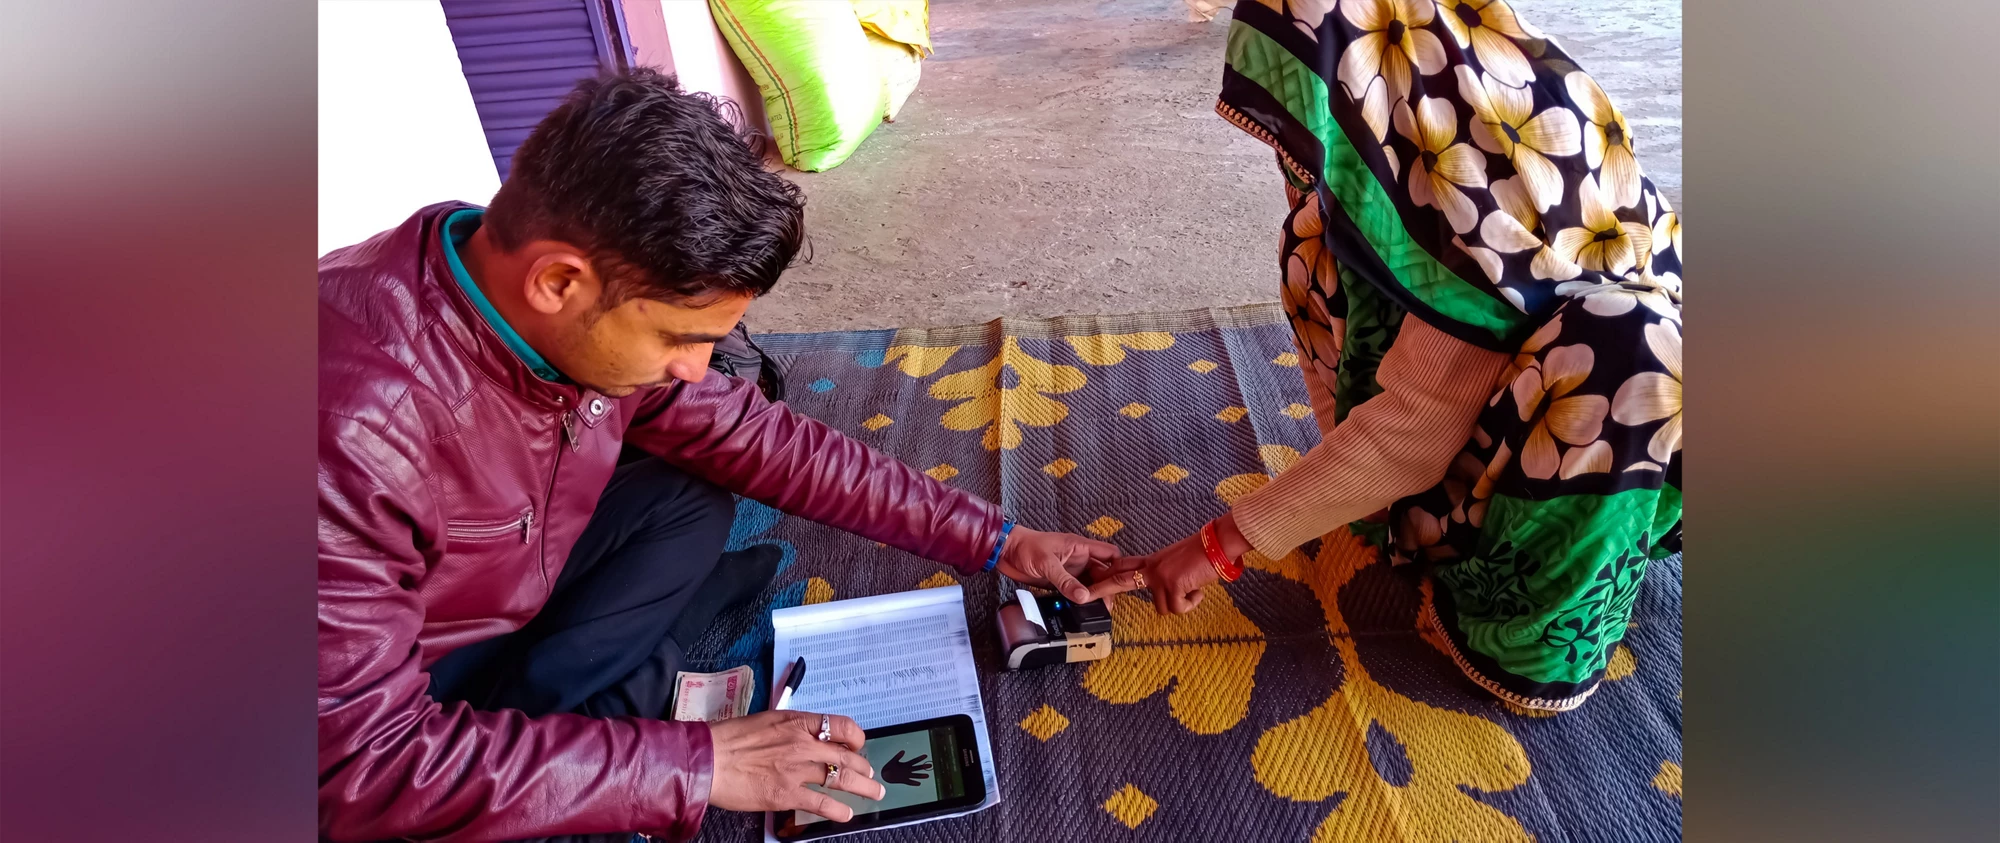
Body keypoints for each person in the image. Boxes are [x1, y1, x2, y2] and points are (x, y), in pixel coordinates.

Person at [317, 69, 1134, 842]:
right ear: (557, 283)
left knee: (692, 493)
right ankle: (577, 738)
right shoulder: (349, 432)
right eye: (681, 338)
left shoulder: (518, 267)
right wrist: (704, 766)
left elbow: (764, 442)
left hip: (483, 588)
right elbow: (358, 764)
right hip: (369, 707)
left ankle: (577, 726)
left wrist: (998, 541)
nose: (696, 368)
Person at [1116, 0, 1682, 713]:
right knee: (1321, 236)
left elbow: (1411, 438)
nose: (1292, 150)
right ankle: (1431, 519)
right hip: (1594, 453)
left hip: (1602, 439)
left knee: (1626, 346)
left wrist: (1220, 544)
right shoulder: (1484, 84)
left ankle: (1529, 628)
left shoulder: (1484, 168)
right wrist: (1345, 494)